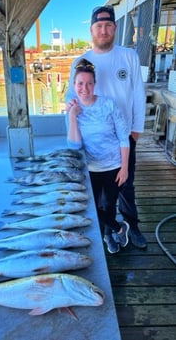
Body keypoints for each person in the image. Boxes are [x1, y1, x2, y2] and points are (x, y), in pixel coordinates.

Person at [65, 5, 147, 249]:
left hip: (124, 134)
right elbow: (72, 95)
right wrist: (70, 111)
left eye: (108, 25)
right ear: (91, 30)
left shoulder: (129, 56)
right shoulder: (81, 61)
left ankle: (133, 227)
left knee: (126, 184)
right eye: (99, 26)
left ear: (114, 28)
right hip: (94, 140)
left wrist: (137, 129)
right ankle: (107, 230)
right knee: (99, 194)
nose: (104, 30)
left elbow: (138, 94)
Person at [66, 58, 130, 254]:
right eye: (80, 83)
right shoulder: (71, 109)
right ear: (73, 85)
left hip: (113, 165)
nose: (84, 88)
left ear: (94, 84)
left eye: (88, 83)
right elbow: (75, 145)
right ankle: (118, 227)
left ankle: (108, 235)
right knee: (90, 207)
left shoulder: (108, 105)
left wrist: (125, 167)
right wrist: (72, 116)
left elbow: (123, 138)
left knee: (109, 204)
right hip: (88, 169)